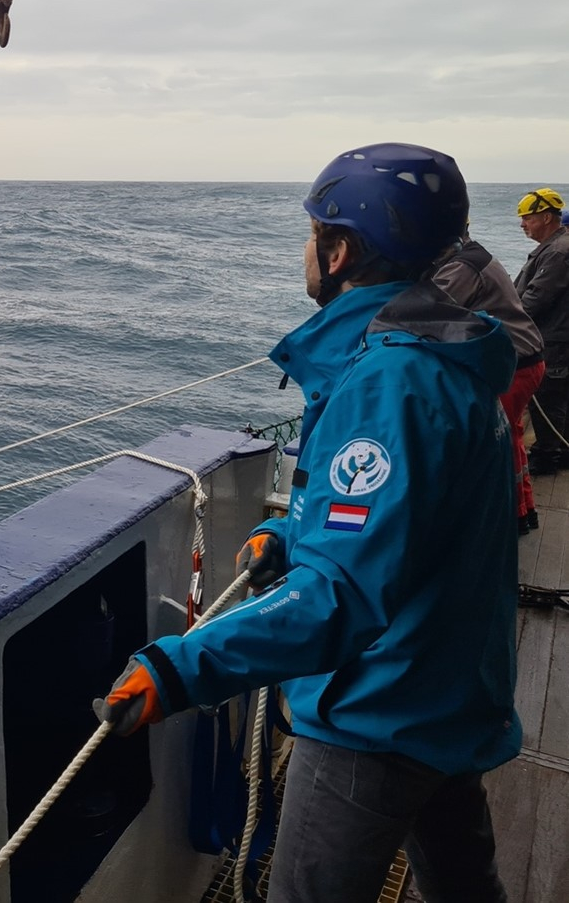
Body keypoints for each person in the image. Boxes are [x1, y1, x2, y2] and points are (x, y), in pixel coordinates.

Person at [95, 143, 519, 903]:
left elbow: (337, 599)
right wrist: (294, 533)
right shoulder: (440, 363)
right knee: (461, 883)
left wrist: (179, 667)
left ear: (341, 249)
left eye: (313, 231)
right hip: (450, 688)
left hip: (378, 712)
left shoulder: (389, 383)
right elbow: (418, 515)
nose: (305, 249)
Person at [435, 230, 545, 534]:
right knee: (512, 438)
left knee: (498, 442)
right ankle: (524, 510)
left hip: (513, 364)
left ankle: (509, 517)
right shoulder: (475, 256)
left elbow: (427, 308)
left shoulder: (462, 267)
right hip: (526, 358)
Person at [513, 188, 569, 475]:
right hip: (554, 336)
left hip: (553, 340)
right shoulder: (555, 248)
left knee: (548, 398)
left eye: (527, 219)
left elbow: (534, 299)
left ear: (546, 217)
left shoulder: (558, 252)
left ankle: (547, 457)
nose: (522, 224)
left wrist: (504, 318)